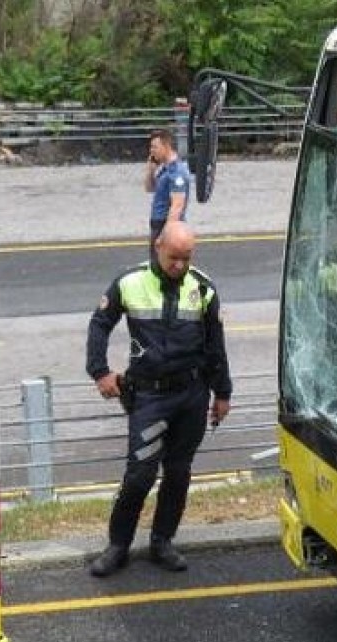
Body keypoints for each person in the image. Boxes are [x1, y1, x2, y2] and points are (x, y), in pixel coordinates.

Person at [85, 221, 232, 577]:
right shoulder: (129, 283)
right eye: (173, 258)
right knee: (139, 475)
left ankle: (162, 541)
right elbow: (99, 324)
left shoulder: (203, 288)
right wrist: (100, 372)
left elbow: (215, 345)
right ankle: (117, 545)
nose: (179, 265)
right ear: (157, 247)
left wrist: (223, 392)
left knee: (178, 473)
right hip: (149, 397)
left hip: (191, 396)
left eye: (186, 258)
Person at [145, 129, 192, 262]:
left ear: (166, 146)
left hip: (166, 225)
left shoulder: (177, 172)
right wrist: (150, 170)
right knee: (156, 267)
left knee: (163, 268)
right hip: (158, 224)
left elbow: (177, 206)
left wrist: (166, 235)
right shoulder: (165, 169)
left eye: (155, 147)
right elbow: (149, 188)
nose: (151, 151)